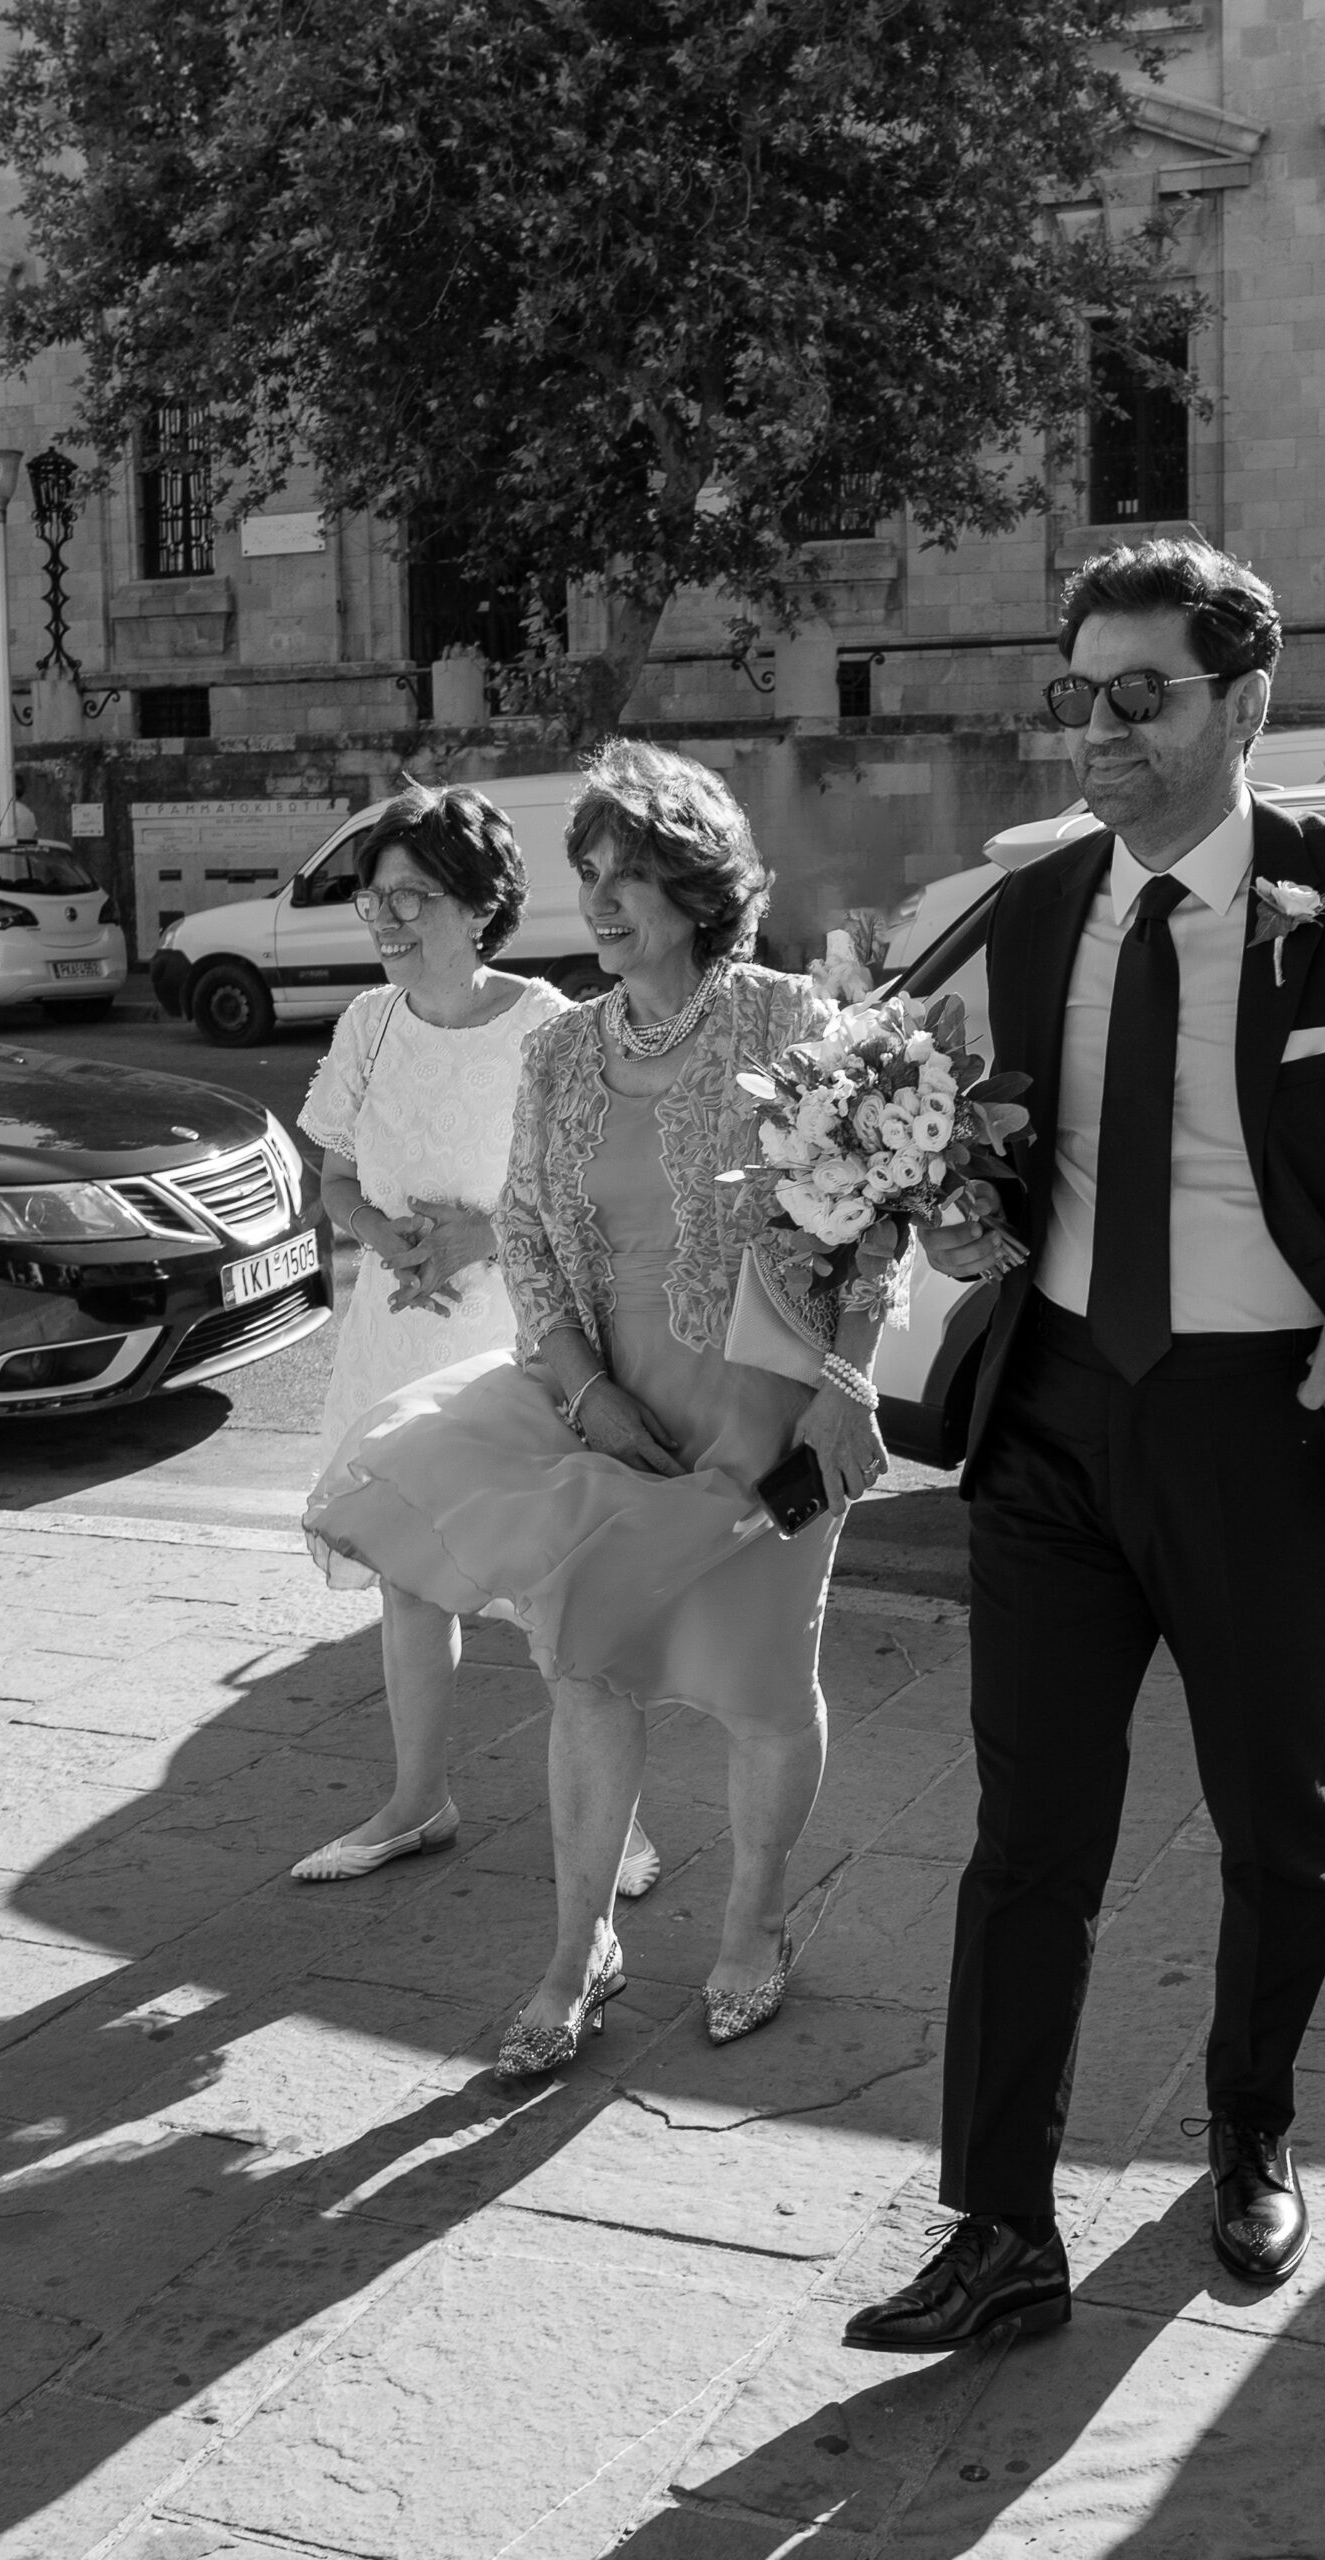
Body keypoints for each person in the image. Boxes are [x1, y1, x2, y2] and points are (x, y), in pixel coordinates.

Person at [844, 537, 1325, 2353]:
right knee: (1028, 1839)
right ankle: (1000, 2226)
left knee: (1277, 1818)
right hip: (1052, 1418)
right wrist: (960, 1208)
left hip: (1268, 1424)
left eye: (1140, 695)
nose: (1097, 729)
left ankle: (1251, 2124)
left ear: (1245, 705)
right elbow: (981, 1130)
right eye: (1077, 693)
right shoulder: (1037, 907)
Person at [305, 740, 889, 2079]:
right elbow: (524, 1232)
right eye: (592, 874)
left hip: (768, 1419)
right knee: (586, 1672)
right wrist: (583, 1389)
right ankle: (576, 1955)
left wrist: (848, 1383)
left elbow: (878, 1215)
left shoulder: (794, 1020)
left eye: (634, 874)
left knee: (760, 1689)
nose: (605, 901)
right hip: (603, 1411)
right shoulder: (564, 1047)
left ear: (700, 887)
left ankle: (752, 1925)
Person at [286, 784, 668, 1892]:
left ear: (479, 905)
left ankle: (619, 1826)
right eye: (374, 898)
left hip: (518, 1341)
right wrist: (386, 1238)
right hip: (392, 1339)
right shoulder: (368, 1024)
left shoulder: (552, 1027)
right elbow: (337, 1177)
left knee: (556, 1588)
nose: (388, 918)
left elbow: (595, 1198)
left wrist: (475, 1238)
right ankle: (417, 1801)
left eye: (413, 896)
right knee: (409, 1579)